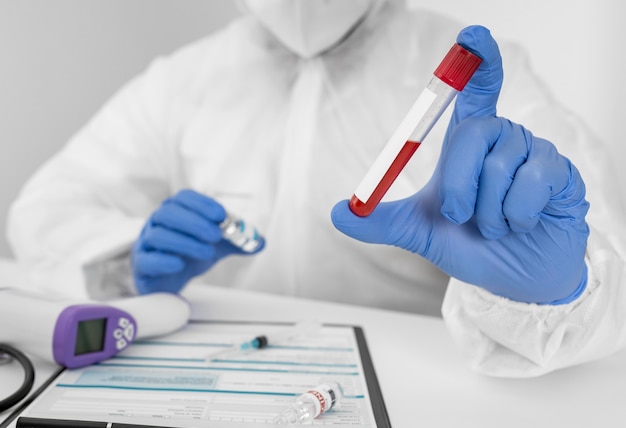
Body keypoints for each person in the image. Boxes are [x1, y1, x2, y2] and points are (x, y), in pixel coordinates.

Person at [7, 0, 626, 377]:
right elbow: (46, 212)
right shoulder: (185, 79)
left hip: (425, 385)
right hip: (221, 370)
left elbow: (605, 255)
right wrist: (130, 258)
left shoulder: (473, 69)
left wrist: (555, 293)